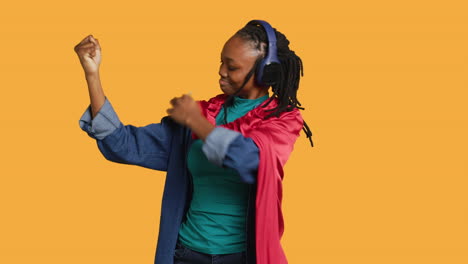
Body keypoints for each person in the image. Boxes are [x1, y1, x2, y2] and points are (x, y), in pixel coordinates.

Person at [74, 20, 313, 264]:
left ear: (265, 73)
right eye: (221, 61)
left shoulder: (281, 121)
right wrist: (92, 75)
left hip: (242, 257)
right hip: (186, 254)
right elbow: (124, 145)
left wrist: (198, 124)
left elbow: (250, 159)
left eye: (232, 67)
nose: (221, 71)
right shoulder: (202, 113)